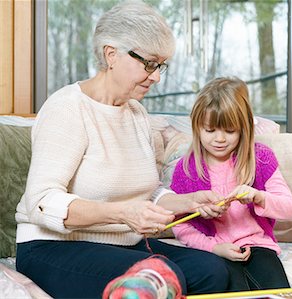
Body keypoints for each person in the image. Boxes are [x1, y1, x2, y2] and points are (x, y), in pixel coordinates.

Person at [14, 2, 232, 298]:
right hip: (54, 247)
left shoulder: (136, 114)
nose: (156, 76)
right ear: (111, 54)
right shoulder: (67, 108)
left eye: (160, 66)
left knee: (211, 270)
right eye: (149, 64)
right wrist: (121, 213)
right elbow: (42, 202)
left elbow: (146, 191)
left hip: (124, 244)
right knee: (162, 275)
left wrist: (187, 202)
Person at [170, 77, 292, 291]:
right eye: (210, 130)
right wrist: (214, 248)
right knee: (233, 290)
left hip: (259, 247)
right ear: (197, 128)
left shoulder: (261, 159)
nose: (219, 139)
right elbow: (180, 225)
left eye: (229, 131)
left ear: (243, 128)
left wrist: (259, 196)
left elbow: (290, 208)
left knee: (279, 292)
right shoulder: (186, 170)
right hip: (215, 251)